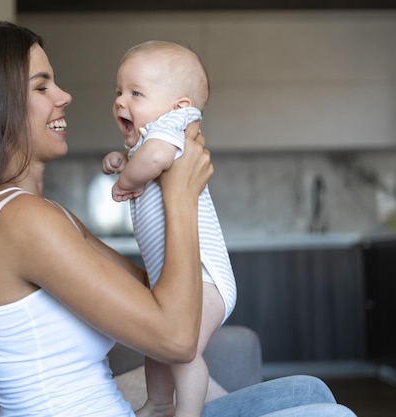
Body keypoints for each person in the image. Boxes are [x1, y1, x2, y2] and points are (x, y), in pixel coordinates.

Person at [0, 21, 356, 417]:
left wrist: (169, 191)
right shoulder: (20, 220)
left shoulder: (42, 215)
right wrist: (180, 194)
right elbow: (177, 339)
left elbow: (156, 293)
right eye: (42, 87)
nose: (64, 96)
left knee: (307, 390)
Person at [102, 40, 236, 417]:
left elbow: (156, 157)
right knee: (158, 343)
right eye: (119, 91)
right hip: (175, 277)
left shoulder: (174, 127)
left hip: (206, 278)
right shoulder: (152, 138)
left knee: (182, 348)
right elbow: (146, 156)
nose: (120, 101)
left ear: (179, 106)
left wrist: (125, 179)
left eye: (136, 93)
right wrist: (122, 159)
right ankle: (160, 403)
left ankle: (187, 412)